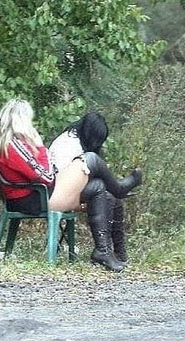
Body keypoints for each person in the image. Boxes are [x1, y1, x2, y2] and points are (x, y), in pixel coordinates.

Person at [0, 99, 142, 272]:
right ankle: (120, 188)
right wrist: (40, 146)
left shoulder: (8, 143)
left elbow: (42, 173)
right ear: (21, 121)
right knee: (90, 159)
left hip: (37, 195)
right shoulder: (12, 145)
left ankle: (103, 251)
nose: (31, 125)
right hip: (35, 199)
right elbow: (46, 176)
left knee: (98, 186)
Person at [48, 112, 133, 265]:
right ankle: (103, 250)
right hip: (59, 192)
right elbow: (62, 179)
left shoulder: (79, 141)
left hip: (70, 189)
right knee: (105, 192)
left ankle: (119, 253)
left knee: (113, 197)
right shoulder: (67, 144)